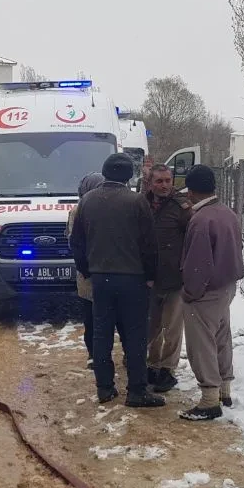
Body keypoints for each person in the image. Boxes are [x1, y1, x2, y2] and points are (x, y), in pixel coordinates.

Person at [69, 153, 163, 408]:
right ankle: (136, 390)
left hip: (100, 279)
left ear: (105, 172)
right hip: (133, 279)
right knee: (135, 335)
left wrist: (87, 269)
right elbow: (149, 245)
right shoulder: (137, 202)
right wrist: (151, 276)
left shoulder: (87, 202)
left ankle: (105, 387)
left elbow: (76, 242)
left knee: (102, 333)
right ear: (128, 176)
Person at [178, 165, 244, 422]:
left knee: (201, 343)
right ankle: (224, 390)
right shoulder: (227, 213)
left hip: (206, 291)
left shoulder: (201, 220)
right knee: (221, 336)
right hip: (227, 286)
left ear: (191, 191)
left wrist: (189, 293)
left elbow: (198, 263)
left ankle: (209, 400)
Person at [67, 172, 125, 367]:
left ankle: (96, 356)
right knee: (116, 317)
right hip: (110, 273)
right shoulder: (114, 207)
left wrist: (85, 269)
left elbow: (74, 243)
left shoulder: (79, 209)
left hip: (90, 275)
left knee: (93, 319)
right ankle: (115, 354)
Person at [144, 164, 193, 393]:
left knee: (172, 327)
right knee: (151, 325)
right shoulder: (142, 204)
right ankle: (151, 365)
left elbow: (193, 240)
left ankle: (167, 369)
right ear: (150, 183)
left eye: (167, 180)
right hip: (149, 277)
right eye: (159, 181)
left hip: (175, 278)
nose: (164, 185)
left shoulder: (182, 207)